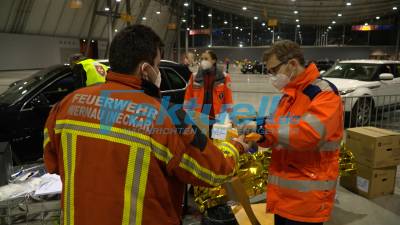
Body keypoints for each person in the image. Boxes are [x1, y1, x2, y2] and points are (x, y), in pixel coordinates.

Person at [43, 25, 247, 225]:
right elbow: (216, 171)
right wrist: (236, 146)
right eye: (157, 65)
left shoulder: (65, 105)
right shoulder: (169, 116)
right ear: (146, 69)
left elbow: (51, 162)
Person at [244, 40, 343, 225]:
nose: (272, 76)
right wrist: (259, 135)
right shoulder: (289, 96)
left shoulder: (323, 94)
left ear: (292, 64)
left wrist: (262, 128)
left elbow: (308, 134)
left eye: (274, 70)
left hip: (306, 199)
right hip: (283, 196)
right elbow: (278, 131)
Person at [183, 50, 234, 135]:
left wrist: (229, 117)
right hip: (199, 117)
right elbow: (188, 97)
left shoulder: (225, 77)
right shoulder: (194, 76)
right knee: (202, 143)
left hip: (218, 118)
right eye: (202, 58)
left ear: (214, 61)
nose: (203, 61)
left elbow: (228, 99)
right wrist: (186, 115)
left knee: (218, 142)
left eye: (206, 58)